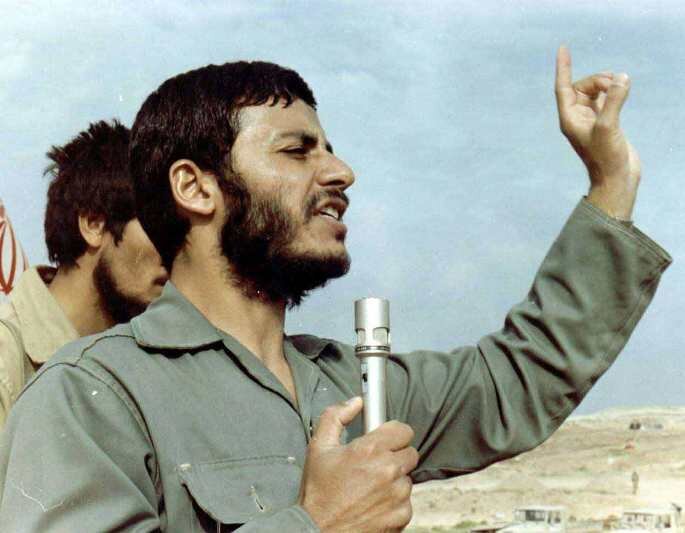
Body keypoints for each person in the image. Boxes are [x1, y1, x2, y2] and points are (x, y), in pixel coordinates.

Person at [0, 47, 670, 531]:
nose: (341, 171)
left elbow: (518, 377)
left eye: (329, 148)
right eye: (297, 151)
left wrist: (610, 184)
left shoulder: (354, 384)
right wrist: (317, 522)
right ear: (195, 187)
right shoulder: (91, 397)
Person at [0, 120, 168, 427]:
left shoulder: (147, 356)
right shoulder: (6, 360)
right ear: (93, 225)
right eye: (156, 226)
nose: (173, 250)